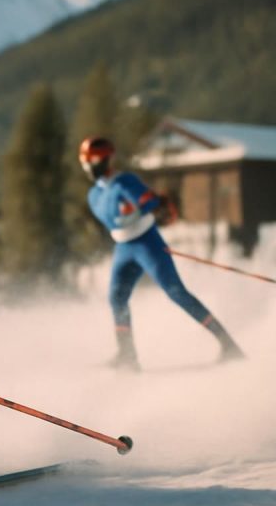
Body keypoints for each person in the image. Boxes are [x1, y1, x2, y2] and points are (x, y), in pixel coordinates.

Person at [78, 136, 244, 370]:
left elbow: (149, 202)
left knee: (176, 293)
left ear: (106, 160)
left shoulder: (125, 181)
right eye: (86, 160)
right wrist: (132, 213)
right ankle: (127, 356)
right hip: (124, 248)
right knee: (117, 298)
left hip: (147, 243)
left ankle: (229, 345)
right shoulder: (94, 195)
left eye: (95, 159)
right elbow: (113, 220)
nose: (90, 165)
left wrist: (148, 207)